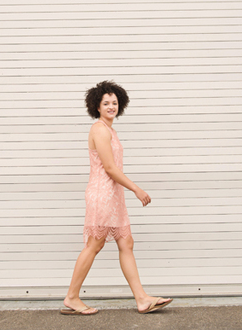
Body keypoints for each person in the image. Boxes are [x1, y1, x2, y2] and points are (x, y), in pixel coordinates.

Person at [61, 80, 173, 315]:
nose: (111, 106)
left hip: (113, 195)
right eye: (106, 103)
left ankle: (142, 299)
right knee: (95, 244)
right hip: (102, 194)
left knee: (126, 242)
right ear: (97, 106)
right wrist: (136, 189)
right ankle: (71, 297)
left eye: (114, 102)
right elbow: (110, 169)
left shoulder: (110, 129)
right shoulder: (99, 129)